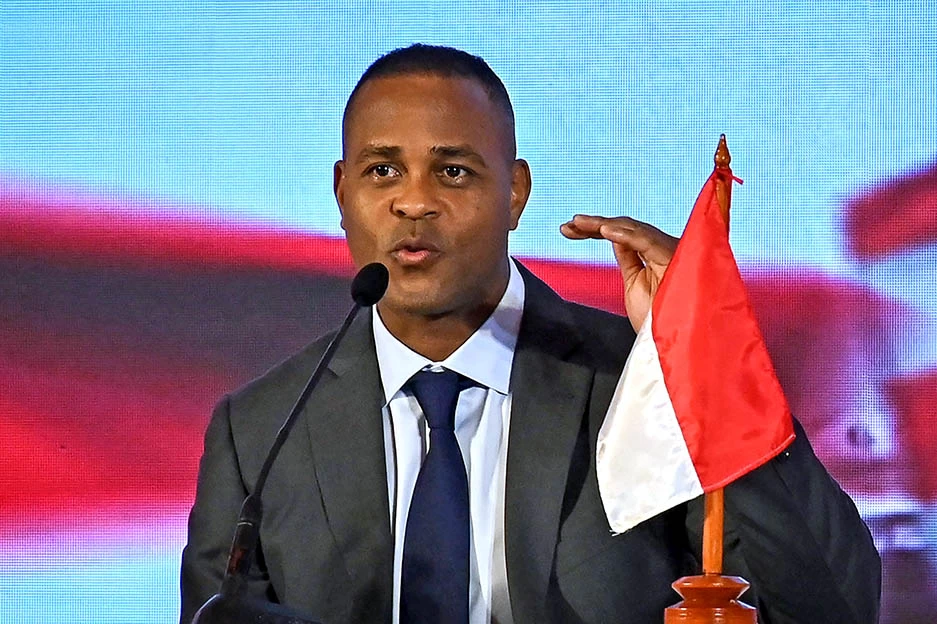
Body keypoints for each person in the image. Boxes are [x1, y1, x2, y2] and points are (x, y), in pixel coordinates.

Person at [181, 44, 881, 624]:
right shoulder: (261, 429)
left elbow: (832, 606)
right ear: (342, 193)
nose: (414, 201)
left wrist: (705, 361)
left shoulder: (641, 386)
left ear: (514, 192)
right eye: (382, 170)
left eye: (453, 171)